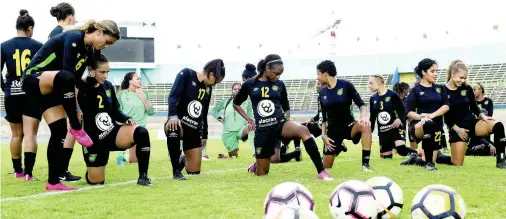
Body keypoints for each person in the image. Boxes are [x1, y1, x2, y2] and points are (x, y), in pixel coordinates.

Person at [21, 19, 120, 191]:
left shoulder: (89, 51)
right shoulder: (74, 37)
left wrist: (78, 108)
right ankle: (75, 125)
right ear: (99, 32)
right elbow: (68, 74)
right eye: (107, 42)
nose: (106, 46)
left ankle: (53, 182)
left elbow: (75, 82)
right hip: (33, 78)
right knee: (66, 77)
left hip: (53, 87)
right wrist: (74, 115)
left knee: (59, 131)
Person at [233, 54, 332, 180]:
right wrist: (249, 120)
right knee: (262, 172)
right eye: (275, 73)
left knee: (303, 130)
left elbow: (286, 108)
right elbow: (236, 104)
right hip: (262, 129)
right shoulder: (249, 84)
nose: (277, 76)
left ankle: (321, 171)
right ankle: (257, 164)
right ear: (267, 68)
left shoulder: (280, 84)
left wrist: (287, 122)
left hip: (280, 122)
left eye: (280, 74)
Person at [78, 54, 152, 186]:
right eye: (102, 72)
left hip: (111, 132)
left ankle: (143, 177)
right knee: (96, 181)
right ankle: (91, 172)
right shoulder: (80, 86)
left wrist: (126, 118)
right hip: (93, 139)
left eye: (107, 72)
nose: (106, 76)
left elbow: (115, 111)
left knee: (141, 132)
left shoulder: (108, 86)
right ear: (91, 70)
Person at [165, 59, 225, 180]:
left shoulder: (208, 88)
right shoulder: (186, 74)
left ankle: (182, 159)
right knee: (173, 128)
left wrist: (204, 135)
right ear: (211, 74)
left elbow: (204, 112)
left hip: (194, 128)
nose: (214, 84)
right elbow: (173, 96)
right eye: (215, 81)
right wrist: (172, 116)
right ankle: (176, 171)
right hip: (179, 123)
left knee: (194, 171)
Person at [1, 10, 43, 181]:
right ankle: (28, 173)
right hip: (31, 94)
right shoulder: (38, 45)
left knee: (16, 135)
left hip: (12, 94)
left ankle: (18, 171)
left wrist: (5, 88)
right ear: (30, 27)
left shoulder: (4, 46)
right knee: (30, 134)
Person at [441, 60, 505, 168]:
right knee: (456, 163)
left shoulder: (467, 88)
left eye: (465, 78)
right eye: (460, 77)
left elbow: (474, 107)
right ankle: (438, 156)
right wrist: (458, 130)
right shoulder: (443, 90)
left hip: (472, 124)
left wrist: (483, 116)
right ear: (452, 74)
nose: (463, 80)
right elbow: (446, 117)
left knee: (498, 125)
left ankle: (501, 160)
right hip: (457, 129)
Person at [317, 60, 372, 171]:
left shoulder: (346, 85)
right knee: (326, 167)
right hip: (333, 130)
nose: (317, 78)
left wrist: (362, 116)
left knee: (365, 125)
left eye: (318, 74)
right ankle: (338, 146)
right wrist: (323, 135)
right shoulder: (322, 93)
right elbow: (323, 117)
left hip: (350, 126)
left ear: (325, 73)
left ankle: (365, 164)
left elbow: (362, 104)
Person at [49, 2, 81, 183]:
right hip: (61, 87)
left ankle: (61, 170)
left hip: (55, 85)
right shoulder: (64, 34)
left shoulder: (54, 33)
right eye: (74, 17)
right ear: (70, 17)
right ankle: (61, 170)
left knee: (65, 129)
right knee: (70, 126)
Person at [403, 58, 449, 171]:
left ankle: (414, 159)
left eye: (436, 71)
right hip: (419, 126)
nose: (435, 74)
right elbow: (408, 112)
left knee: (427, 158)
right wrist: (421, 117)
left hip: (437, 129)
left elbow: (447, 106)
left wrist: (432, 115)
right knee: (428, 124)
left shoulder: (440, 88)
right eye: (432, 71)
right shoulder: (415, 90)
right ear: (424, 72)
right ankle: (430, 165)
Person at [369, 75, 417, 158]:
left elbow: (403, 110)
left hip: (395, 128)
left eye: (371, 83)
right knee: (386, 156)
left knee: (401, 149)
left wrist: (399, 119)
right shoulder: (373, 98)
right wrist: (369, 134)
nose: (369, 85)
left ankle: (420, 154)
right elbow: (372, 118)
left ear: (379, 83)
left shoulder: (392, 95)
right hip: (383, 131)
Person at [116, 72, 155, 166]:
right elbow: (117, 112)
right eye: (137, 79)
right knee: (127, 160)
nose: (140, 81)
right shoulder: (121, 94)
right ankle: (121, 155)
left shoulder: (144, 93)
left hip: (141, 130)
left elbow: (151, 112)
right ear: (130, 81)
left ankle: (126, 156)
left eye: (140, 78)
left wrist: (142, 98)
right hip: (127, 128)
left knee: (135, 160)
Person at [211, 83, 253, 158]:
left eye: (239, 89)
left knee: (251, 128)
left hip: (242, 129)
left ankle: (256, 152)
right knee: (233, 156)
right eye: (235, 89)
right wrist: (219, 118)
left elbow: (250, 115)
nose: (237, 91)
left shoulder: (247, 102)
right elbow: (214, 110)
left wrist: (250, 123)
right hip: (228, 132)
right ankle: (225, 156)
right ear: (232, 91)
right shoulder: (225, 102)